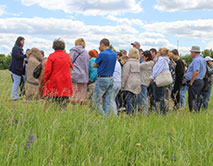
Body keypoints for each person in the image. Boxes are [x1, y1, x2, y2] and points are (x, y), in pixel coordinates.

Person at [43, 39, 73, 107]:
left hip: (54, 83)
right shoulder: (68, 56)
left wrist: (45, 81)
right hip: (65, 83)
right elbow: (71, 66)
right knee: (63, 105)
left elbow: (47, 71)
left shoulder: (52, 56)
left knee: (54, 105)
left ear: (54, 47)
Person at [93, 38, 117, 116]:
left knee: (95, 101)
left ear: (102, 44)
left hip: (102, 78)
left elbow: (94, 65)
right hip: (111, 78)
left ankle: (103, 116)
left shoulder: (102, 54)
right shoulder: (114, 54)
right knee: (106, 101)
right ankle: (105, 117)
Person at [9, 36, 31, 101]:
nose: (23, 43)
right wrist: (26, 55)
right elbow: (18, 57)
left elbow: (21, 59)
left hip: (17, 69)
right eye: (22, 41)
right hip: (15, 69)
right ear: (19, 41)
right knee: (16, 82)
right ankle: (13, 96)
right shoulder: (16, 48)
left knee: (17, 82)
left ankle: (15, 95)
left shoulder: (18, 49)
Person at [185, 46, 206, 112]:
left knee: (192, 98)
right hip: (200, 80)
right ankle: (197, 110)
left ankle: (193, 111)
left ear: (194, 52)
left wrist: (191, 81)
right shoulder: (202, 60)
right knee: (197, 97)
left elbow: (196, 71)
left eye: (191, 52)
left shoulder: (196, 60)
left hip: (195, 81)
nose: (191, 53)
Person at [150, 48, 171, 114]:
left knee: (158, 97)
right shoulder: (166, 60)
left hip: (158, 80)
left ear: (160, 53)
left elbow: (157, 69)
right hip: (163, 80)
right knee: (161, 95)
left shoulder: (161, 60)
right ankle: (162, 110)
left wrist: (152, 77)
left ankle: (160, 111)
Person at [122, 48, 141, 115]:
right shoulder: (138, 63)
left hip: (129, 83)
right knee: (135, 100)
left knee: (128, 99)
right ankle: (135, 113)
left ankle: (129, 113)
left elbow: (125, 75)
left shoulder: (128, 63)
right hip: (137, 82)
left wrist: (122, 85)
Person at [70, 38, 89, 105]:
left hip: (75, 74)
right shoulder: (86, 52)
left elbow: (70, 62)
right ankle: (81, 111)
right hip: (84, 76)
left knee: (74, 96)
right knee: (82, 97)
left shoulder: (73, 51)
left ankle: (73, 111)